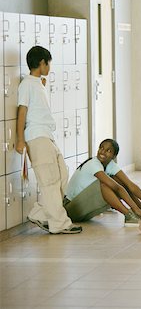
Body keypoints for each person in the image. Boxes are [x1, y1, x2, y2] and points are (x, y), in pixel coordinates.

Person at [16, 46, 82, 234]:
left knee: (61, 176)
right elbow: (22, 112)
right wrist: (20, 139)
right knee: (50, 181)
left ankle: (39, 213)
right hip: (36, 137)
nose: (50, 67)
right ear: (41, 63)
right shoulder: (27, 84)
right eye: (48, 63)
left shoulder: (37, 83)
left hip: (47, 136)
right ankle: (60, 224)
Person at [64, 139, 141, 226]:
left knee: (120, 181)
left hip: (83, 209)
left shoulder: (109, 164)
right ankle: (129, 215)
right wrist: (134, 208)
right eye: (101, 148)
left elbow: (130, 185)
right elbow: (117, 188)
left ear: (114, 156)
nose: (103, 152)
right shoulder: (93, 164)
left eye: (108, 151)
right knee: (104, 184)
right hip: (70, 210)